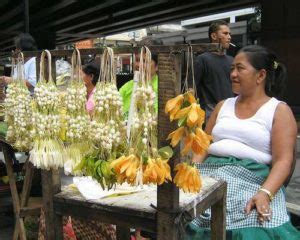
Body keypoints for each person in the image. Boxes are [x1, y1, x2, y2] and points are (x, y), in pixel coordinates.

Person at [186, 45, 299, 239]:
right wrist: (191, 170)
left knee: (256, 224)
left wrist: (265, 192)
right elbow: (203, 144)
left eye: (240, 68)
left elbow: (283, 161)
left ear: (261, 75)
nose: (233, 74)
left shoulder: (279, 111)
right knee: (184, 213)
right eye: (232, 69)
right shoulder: (223, 106)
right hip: (210, 174)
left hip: (254, 180)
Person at [193, 20, 233, 120]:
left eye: (229, 34)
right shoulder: (202, 59)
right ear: (214, 36)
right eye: (225, 33)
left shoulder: (232, 60)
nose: (229, 37)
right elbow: (191, 88)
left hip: (231, 111)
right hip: (211, 113)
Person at [119, 53, 158, 118]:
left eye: (145, 61)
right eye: (137, 60)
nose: (139, 65)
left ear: (157, 66)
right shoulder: (127, 86)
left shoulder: (161, 87)